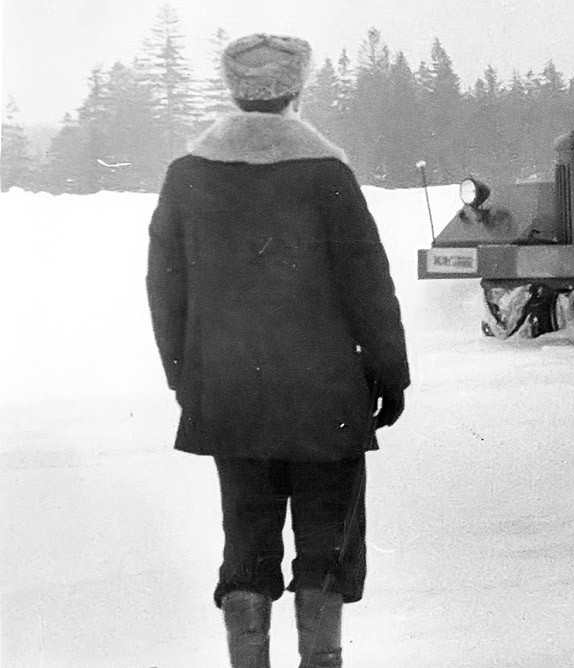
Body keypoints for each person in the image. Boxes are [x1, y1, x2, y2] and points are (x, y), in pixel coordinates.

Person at [146, 33, 408, 668]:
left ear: (233, 90)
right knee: (326, 542)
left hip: (231, 395)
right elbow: (366, 280)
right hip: (326, 399)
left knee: (247, 543)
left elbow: (164, 285)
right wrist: (389, 373)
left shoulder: (188, 175)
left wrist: (187, 377)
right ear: (298, 89)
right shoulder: (326, 175)